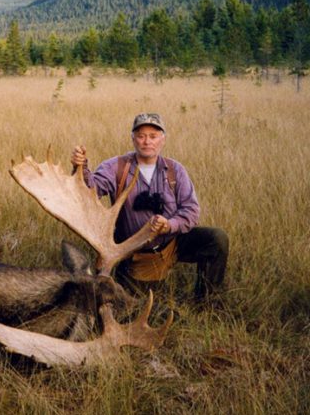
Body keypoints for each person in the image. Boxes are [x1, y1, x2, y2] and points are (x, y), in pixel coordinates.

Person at [71, 112, 228, 301]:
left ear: (162, 139)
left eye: (153, 136)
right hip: (134, 253)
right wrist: (81, 168)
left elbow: (191, 210)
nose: (147, 141)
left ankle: (206, 302)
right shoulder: (117, 167)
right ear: (133, 139)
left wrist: (170, 225)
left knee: (216, 239)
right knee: (141, 305)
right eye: (141, 136)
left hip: (172, 243)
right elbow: (90, 191)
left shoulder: (175, 170)